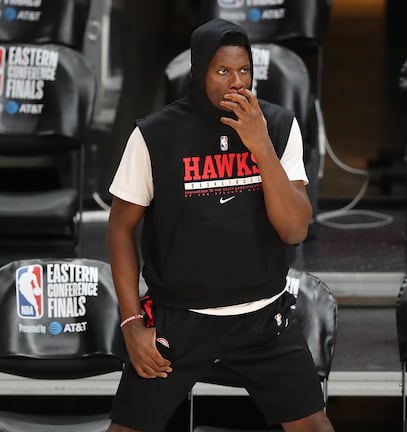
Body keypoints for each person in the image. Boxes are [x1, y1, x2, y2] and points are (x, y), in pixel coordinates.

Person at [106, 18, 334, 432]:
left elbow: (295, 230)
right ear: (199, 72)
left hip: (263, 317)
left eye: (244, 70)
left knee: (315, 427)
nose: (235, 82)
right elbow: (120, 229)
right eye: (222, 71)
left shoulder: (279, 126)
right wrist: (132, 324)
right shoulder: (154, 136)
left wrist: (260, 145)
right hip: (181, 319)